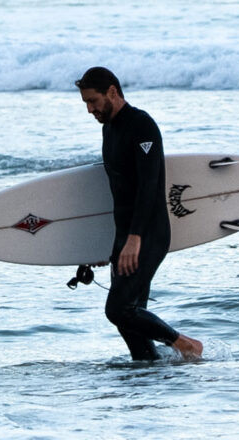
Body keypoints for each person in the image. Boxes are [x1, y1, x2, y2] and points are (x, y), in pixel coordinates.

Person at [77, 66, 204, 363]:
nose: (89, 109)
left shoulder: (142, 126)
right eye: (86, 103)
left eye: (93, 101)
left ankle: (186, 345)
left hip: (148, 233)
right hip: (124, 236)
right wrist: (106, 246)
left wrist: (135, 239)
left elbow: (149, 186)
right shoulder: (109, 129)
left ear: (112, 92)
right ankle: (150, 376)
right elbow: (118, 192)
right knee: (132, 326)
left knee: (118, 309)